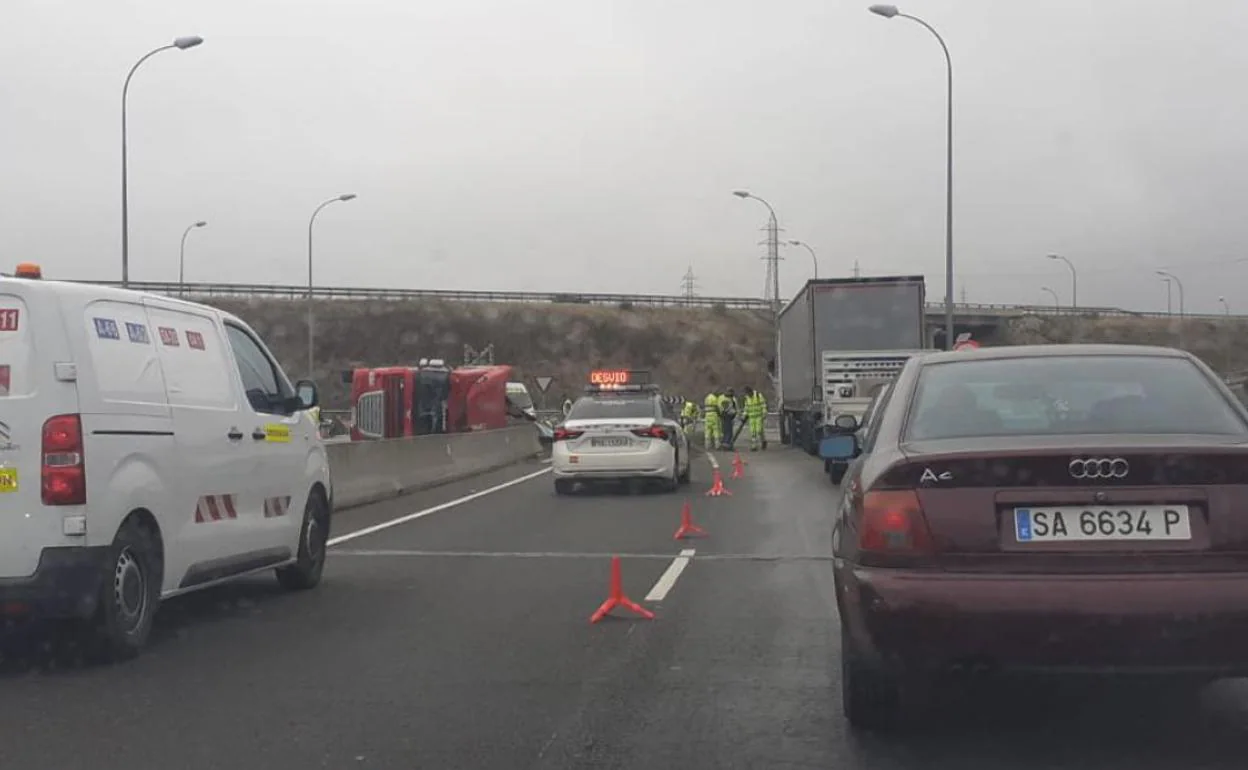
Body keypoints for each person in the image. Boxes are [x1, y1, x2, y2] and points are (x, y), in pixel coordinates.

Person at [743, 385, 767, 451]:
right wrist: (744, 415)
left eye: (748, 392)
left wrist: (764, 412)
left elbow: (763, 404)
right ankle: (754, 446)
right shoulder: (747, 398)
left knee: (759, 430)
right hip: (751, 417)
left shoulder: (758, 395)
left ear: (750, 391)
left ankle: (763, 441)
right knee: (753, 432)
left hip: (759, 416)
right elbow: (746, 407)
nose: (747, 394)